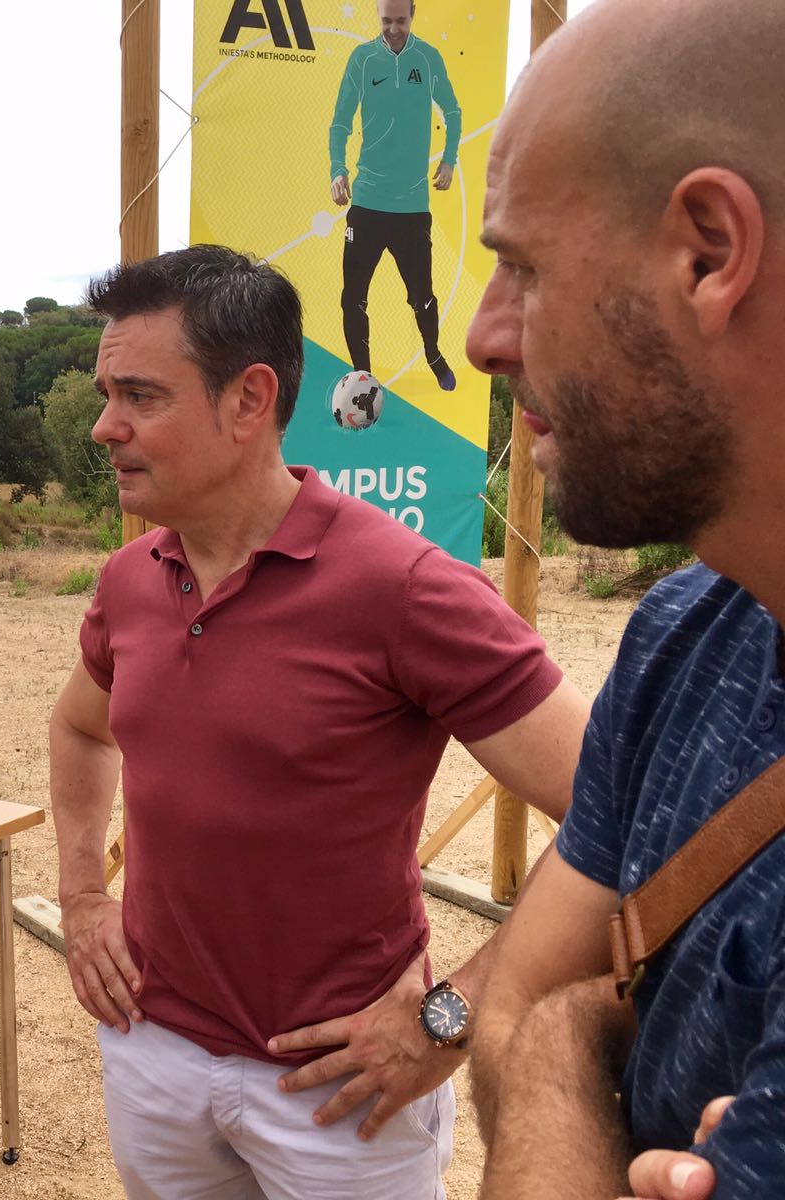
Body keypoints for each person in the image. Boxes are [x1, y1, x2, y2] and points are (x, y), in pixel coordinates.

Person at [49, 244, 589, 1199]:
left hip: (341, 1092)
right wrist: (86, 897)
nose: (104, 428)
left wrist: (450, 1015)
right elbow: (81, 729)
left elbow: (616, 812)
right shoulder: (130, 580)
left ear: (249, 400)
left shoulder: (407, 587)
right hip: (153, 1054)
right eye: (106, 393)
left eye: (140, 396)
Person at [464, 1, 785, 1196]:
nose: (487, 334)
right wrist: (552, 1038)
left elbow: (538, 1008)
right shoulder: (688, 629)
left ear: (708, 250)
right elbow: (514, 1008)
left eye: (521, 266)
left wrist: (564, 1040)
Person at [329, 0, 462, 391]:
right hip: (367, 202)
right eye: (386, 21)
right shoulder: (362, 59)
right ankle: (362, 376)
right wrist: (338, 170)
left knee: (422, 296)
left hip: (412, 206)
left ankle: (433, 354)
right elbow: (340, 122)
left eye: (400, 21)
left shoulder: (429, 58)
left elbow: (452, 112)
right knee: (353, 295)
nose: (393, 29)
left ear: (413, 15)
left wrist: (449, 160)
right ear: (377, 16)